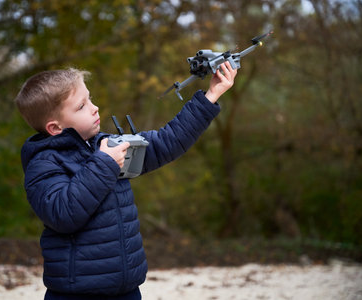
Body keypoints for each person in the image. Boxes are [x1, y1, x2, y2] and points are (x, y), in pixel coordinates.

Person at [15, 61, 237, 300]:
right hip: (76, 293)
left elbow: (166, 142)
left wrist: (211, 95)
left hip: (127, 288)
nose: (94, 108)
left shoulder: (105, 146)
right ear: (55, 127)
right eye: (81, 106)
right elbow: (63, 214)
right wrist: (104, 163)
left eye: (90, 99)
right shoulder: (44, 163)